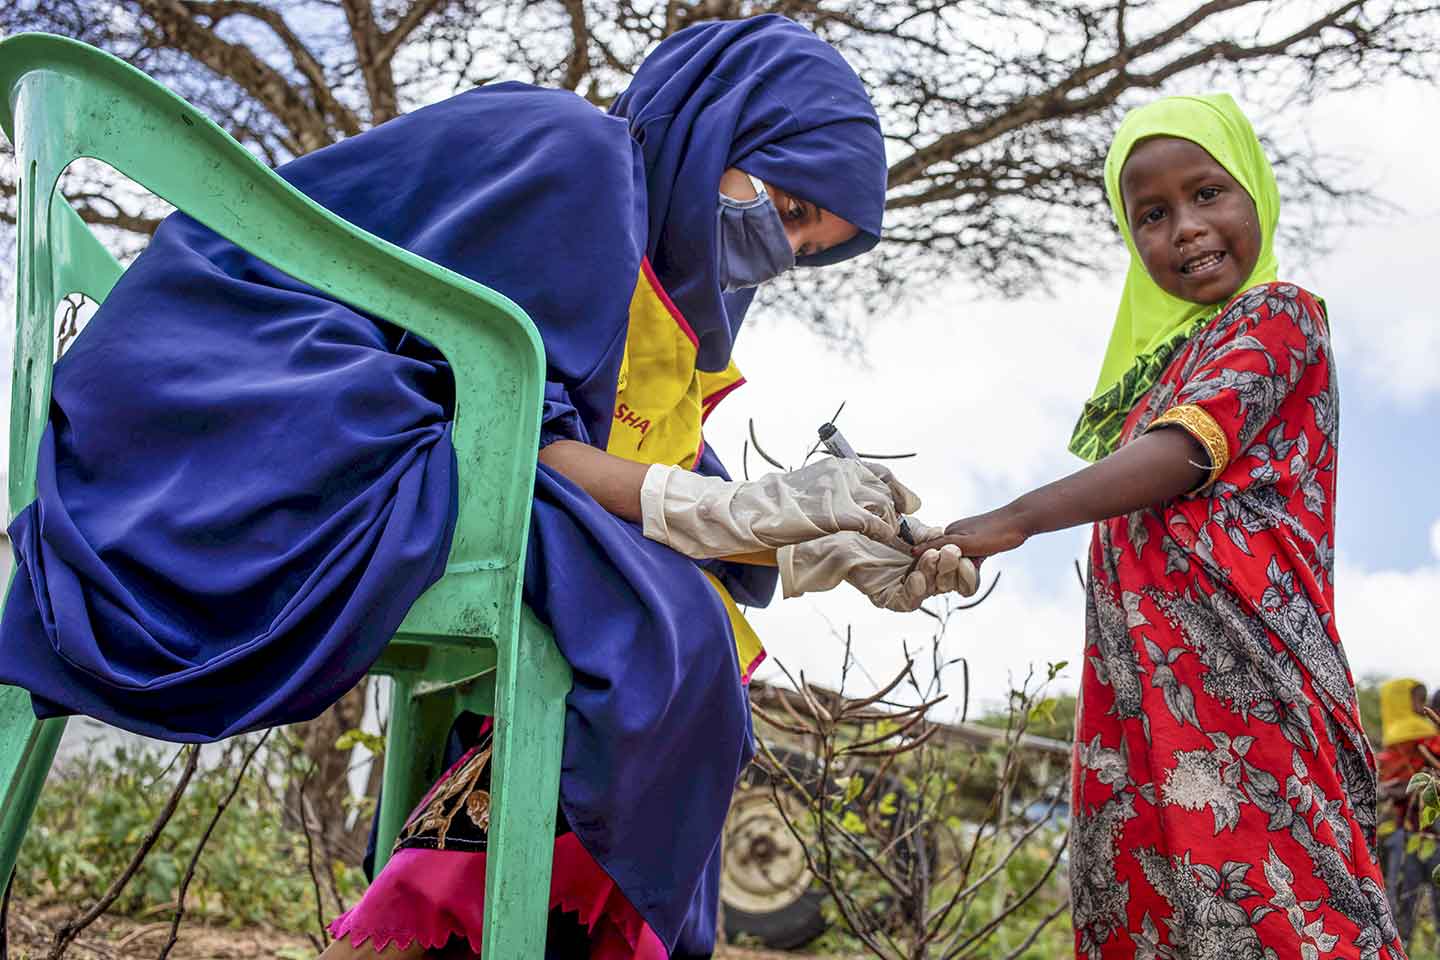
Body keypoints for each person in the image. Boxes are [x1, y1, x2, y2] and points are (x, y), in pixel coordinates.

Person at [0, 14, 972, 959]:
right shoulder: (575, 157)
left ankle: (449, 921)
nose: (781, 251)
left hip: (305, 407)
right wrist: (719, 515)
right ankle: (460, 931)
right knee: (643, 603)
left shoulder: (636, 278)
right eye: (791, 210)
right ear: (717, 125)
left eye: (806, 248)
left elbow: (598, 457)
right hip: (236, 403)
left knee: (657, 592)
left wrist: (812, 544)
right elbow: (517, 435)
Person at [915, 94, 1405, 957]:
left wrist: (1018, 518)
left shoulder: (1283, 316)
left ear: (1256, 193)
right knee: (1154, 909)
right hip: (1139, 687)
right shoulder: (1156, 375)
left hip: (1248, 676)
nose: (1185, 228)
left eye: (1209, 193)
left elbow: (1187, 450)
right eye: (1152, 214)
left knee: (1284, 900)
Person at [1375, 678, 1440, 945]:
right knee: (1404, 904)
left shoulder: (1421, 740)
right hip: (1413, 833)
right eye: (1416, 700)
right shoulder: (1423, 739)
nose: (1421, 707)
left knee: (1402, 905)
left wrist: (1394, 789)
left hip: (1415, 833)